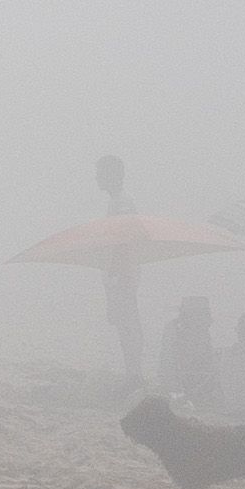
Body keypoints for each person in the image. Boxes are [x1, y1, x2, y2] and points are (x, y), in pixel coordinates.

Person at [97, 154, 145, 386]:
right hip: (120, 274)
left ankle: (134, 375)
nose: (97, 177)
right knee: (123, 323)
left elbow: (125, 238)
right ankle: (132, 373)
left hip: (123, 275)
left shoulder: (123, 203)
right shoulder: (116, 201)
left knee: (128, 325)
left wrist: (116, 273)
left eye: (101, 173)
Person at [159, 295, 220, 409]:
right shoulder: (175, 330)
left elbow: (207, 358)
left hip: (195, 381)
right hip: (182, 382)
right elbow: (168, 362)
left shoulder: (201, 331)